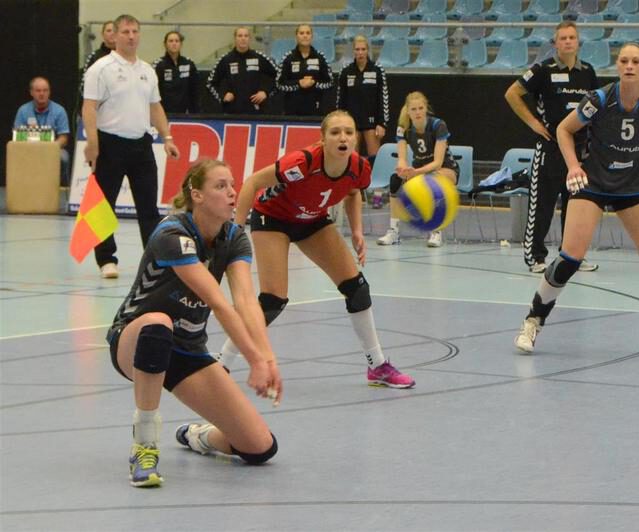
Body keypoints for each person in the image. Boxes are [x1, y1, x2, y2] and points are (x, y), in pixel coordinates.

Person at [108, 158, 282, 488]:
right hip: (134, 341)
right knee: (158, 324)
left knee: (260, 447)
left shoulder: (234, 238)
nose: (232, 193)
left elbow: (246, 302)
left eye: (233, 185)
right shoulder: (172, 234)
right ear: (197, 195)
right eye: (221, 186)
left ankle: (198, 436)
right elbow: (219, 303)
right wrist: (255, 360)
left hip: (186, 350)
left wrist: (267, 358)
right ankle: (144, 446)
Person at [217, 110, 414, 389]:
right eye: (335, 132)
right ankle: (221, 365)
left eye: (348, 132)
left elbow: (352, 192)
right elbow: (253, 183)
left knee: (357, 289)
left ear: (355, 139)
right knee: (273, 301)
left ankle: (377, 365)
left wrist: (357, 231)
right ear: (323, 139)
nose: (342, 137)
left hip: (312, 221)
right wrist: (235, 230)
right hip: (273, 218)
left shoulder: (359, 168)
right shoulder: (304, 162)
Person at [513, 42, 639, 358]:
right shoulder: (600, 99)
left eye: (636, 61)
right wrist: (573, 166)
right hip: (593, 184)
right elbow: (564, 130)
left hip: (630, 186)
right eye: (624, 61)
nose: (629, 66)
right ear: (617, 65)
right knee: (570, 259)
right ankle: (532, 321)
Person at [82, 14, 180, 279]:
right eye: (125, 32)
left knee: (149, 207)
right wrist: (93, 143)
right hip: (109, 144)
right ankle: (106, 260)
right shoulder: (100, 69)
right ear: (115, 35)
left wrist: (167, 137)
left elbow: (155, 106)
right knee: (103, 206)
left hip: (141, 145)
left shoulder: (147, 70)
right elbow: (89, 108)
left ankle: (155, 259)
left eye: (135, 31)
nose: (131, 36)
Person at [505, 20, 599, 274]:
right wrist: (533, 123)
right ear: (556, 43)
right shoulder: (543, 70)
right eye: (563, 38)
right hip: (550, 148)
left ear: (578, 42)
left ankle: (572, 255)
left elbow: (596, 106)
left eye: (572, 37)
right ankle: (535, 257)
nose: (568, 41)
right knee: (542, 206)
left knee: (577, 204)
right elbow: (512, 94)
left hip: (579, 151)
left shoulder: (588, 72)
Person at [376, 91, 459, 248]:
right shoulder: (403, 128)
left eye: (421, 108)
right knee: (395, 180)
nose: (418, 112)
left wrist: (417, 173)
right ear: (408, 111)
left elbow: (438, 162)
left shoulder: (438, 125)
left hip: (446, 169)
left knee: (432, 180)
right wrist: (402, 168)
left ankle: (436, 231)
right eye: (413, 109)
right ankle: (393, 231)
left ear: (426, 108)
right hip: (419, 168)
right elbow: (402, 158)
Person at [336, 35, 389, 162]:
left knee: (375, 158)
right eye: (357, 49)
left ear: (367, 50)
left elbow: (383, 98)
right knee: (351, 158)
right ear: (353, 51)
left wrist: (382, 123)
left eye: (363, 49)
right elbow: (340, 99)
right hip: (351, 121)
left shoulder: (377, 70)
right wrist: (340, 121)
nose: (360, 53)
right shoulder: (346, 71)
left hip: (371, 121)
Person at [207, 27, 278, 115]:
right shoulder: (226, 60)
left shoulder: (260, 58)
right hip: (232, 112)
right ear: (235, 38)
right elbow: (211, 83)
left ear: (250, 39)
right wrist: (223, 95)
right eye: (240, 36)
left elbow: (278, 77)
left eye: (246, 36)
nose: (243, 38)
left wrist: (265, 92)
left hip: (257, 112)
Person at [14, 76, 71, 186]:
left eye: (45, 90)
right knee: (13, 155)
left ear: (49, 92)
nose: (42, 94)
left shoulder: (59, 111)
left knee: (64, 157)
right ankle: (21, 188)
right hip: (28, 149)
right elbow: (17, 135)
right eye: (38, 91)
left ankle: (61, 189)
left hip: (52, 149)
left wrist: (50, 148)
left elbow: (64, 138)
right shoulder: (23, 110)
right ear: (31, 92)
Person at [277, 24, 334, 116]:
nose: (305, 36)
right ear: (296, 36)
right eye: (301, 33)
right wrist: (299, 83)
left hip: (315, 108)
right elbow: (280, 84)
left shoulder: (320, 57)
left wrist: (314, 83)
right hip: (292, 110)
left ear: (312, 36)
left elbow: (330, 82)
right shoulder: (288, 58)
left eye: (308, 33)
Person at [152, 30, 201, 114]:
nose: (174, 43)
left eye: (177, 41)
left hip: (185, 114)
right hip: (164, 113)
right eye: (171, 41)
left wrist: (196, 112)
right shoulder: (159, 65)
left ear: (181, 44)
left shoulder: (188, 63)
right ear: (165, 44)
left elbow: (195, 90)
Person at [79, 20, 115, 101]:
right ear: (102, 34)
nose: (112, 33)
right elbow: (84, 86)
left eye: (115, 31)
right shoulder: (94, 57)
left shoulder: (125, 57)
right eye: (108, 31)